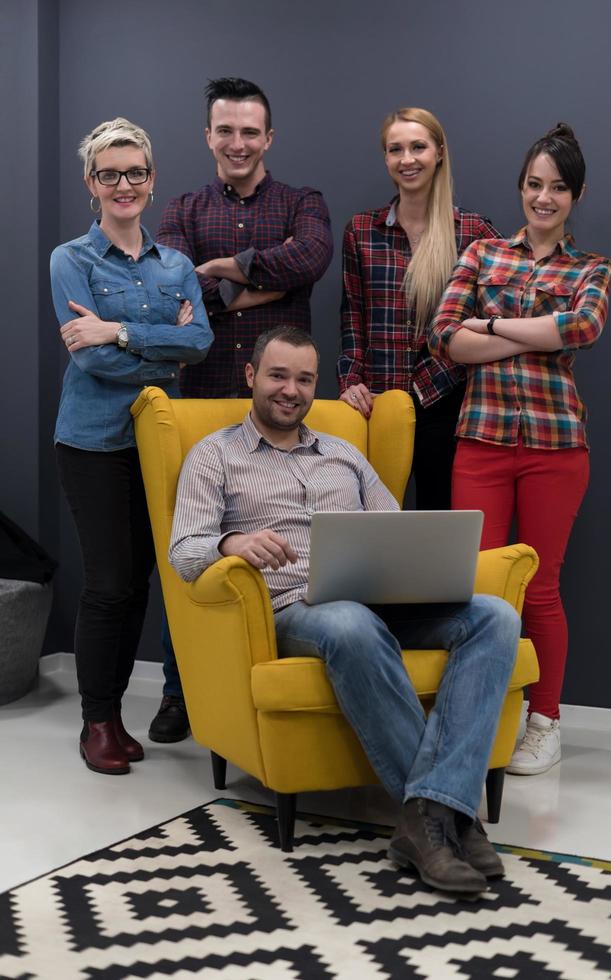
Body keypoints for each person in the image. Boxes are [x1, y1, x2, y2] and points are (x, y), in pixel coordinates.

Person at [169, 325, 521, 898]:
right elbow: (184, 552)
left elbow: (393, 530)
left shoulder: (344, 454)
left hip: (379, 598)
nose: (291, 390)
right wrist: (232, 543)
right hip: (295, 608)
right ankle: (450, 820)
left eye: (304, 379)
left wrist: (417, 564)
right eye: (278, 375)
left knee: (495, 617)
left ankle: (432, 814)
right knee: (350, 622)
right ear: (251, 376)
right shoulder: (215, 456)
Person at [152, 77, 334, 740]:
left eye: (249, 132)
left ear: (268, 137)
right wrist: (260, 280)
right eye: (225, 131)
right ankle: (180, 692)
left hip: (282, 408)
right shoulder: (180, 208)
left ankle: (275, 686)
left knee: (288, 548)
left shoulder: (301, 202)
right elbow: (174, 293)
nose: (237, 143)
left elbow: (310, 256)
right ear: (208, 137)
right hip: (202, 404)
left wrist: (225, 265)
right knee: (193, 549)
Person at [429, 124, 611, 775]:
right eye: (534, 184)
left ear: (575, 194)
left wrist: (496, 325)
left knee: (537, 590)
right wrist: (538, 334)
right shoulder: (480, 254)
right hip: (479, 443)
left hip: (554, 448)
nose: (542, 197)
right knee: (479, 588)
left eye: (556, 187)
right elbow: (447, 337)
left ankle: (544, 721)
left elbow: (583, 325)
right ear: (520, 188)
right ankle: (482, 716)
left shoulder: (589, 268)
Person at [51, 118, 213, 775]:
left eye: (136, 173)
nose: (125, 185)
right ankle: (99, 719)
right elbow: (90, 366)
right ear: (92, 184)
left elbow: (198, 342)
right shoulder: (71, 259)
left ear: (151, 180)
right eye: (110, 174)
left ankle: (113, 713)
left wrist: (114, 331)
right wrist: (153, 338)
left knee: (142, 581)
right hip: (92, 441)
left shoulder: (175, 265)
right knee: (109, 584)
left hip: (156, 440)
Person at [338, 108, 500, 510]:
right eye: (396, 149)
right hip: (377, 403)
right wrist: (349, 381)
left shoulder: (473, 232)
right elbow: (352, 317)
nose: (406, 159)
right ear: (386, 158)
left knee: (437, 523)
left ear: (440, 152)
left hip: (447, 400)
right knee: (370, 527)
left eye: (418, 147)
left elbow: (507, 306)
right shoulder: (362, 230)